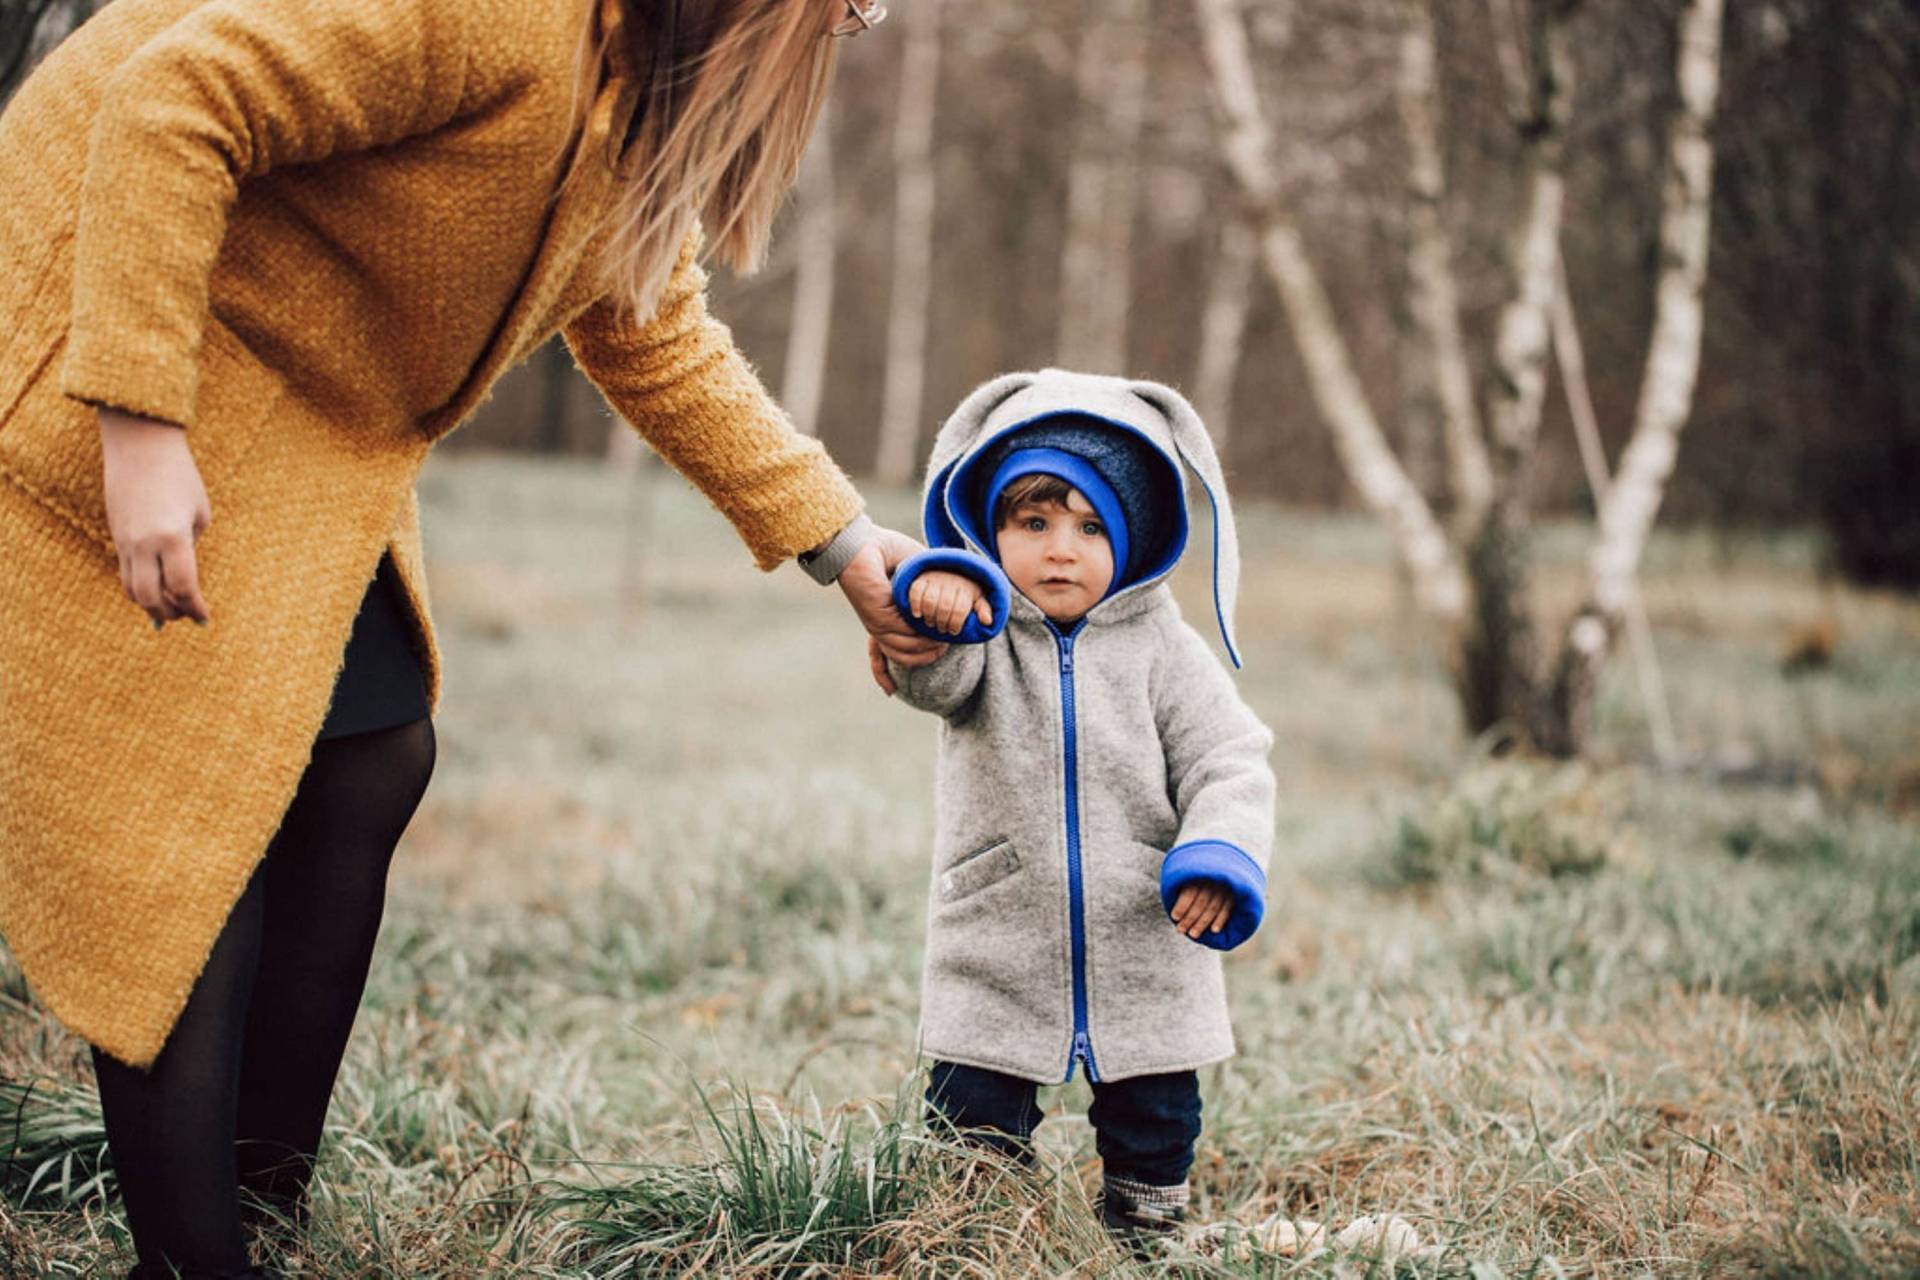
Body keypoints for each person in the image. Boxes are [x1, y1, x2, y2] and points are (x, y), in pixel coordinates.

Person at [0, 1, 937, 1275]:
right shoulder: (497, 13)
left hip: (293, 402)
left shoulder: (626, 74)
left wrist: (841, 542)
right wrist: (139, 421)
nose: (851, 23)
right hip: (108, 329)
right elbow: (173, 102)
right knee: (194, 808)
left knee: (371, 752)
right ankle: (190, 1256)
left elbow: (642, 312)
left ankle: (260, 1219)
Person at [873, 369, 1278, 1244]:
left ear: (1133, 537)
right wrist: (935, 609)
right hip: (1001, 923)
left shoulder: (1164, 649)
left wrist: (1218, 850)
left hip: (1143, 927)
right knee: (972, 1110)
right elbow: (935, 684)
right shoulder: (984, 627)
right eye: (1035, 523)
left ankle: (1147, 1234)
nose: (1062, 549)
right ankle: (975, 1236)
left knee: (1156, 1110)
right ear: (992, 527)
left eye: (1092, 527)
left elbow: (1231, 757)